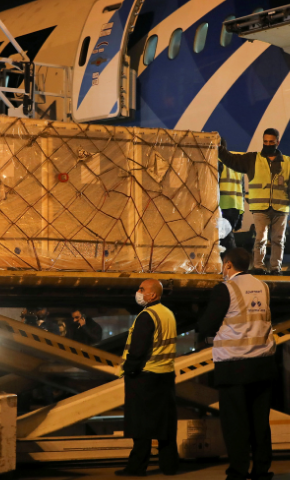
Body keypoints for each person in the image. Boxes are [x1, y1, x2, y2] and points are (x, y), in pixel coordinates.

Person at [197, 248, 276, 480]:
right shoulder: (263, 286)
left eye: (224, 265)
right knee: (260, 423)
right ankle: (262, 471)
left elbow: (206, 325)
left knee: (236, 423)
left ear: (228, 265)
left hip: (234, 366)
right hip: (263, 364)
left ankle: (238, 472)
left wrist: (208, 336)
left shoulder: (226, 289)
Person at [218, 128, 290, 274]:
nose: (268, 144)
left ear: (277, 142)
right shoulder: (253, 159)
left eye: (271, 142)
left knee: (278, 240)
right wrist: (220, 150)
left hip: (280, 208)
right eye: (265, 142)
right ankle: (259, 267)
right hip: (260, 207)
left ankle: (276, 268)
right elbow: (232, 160)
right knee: (260, 239)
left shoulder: (287, 162)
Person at [117, 279, 178, 477]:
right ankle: (169, 466)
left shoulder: (147, 316)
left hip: (145, 377)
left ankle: (137, 467)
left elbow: (137, 350)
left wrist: (129, 369)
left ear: (152, 295)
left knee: (141, 425)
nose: (138, 292)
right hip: (166, 376)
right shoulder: (168, 314)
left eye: (142, 289)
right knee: (165, 425)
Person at [219, 162, 245, 253]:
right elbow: (243, 190)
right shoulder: (237, 164)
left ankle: (234, 262)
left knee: (224, 239)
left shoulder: (216, 161)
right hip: (236, 206)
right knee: (226, 237)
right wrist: (241, 215)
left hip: (222, 205)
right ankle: (232, 261)